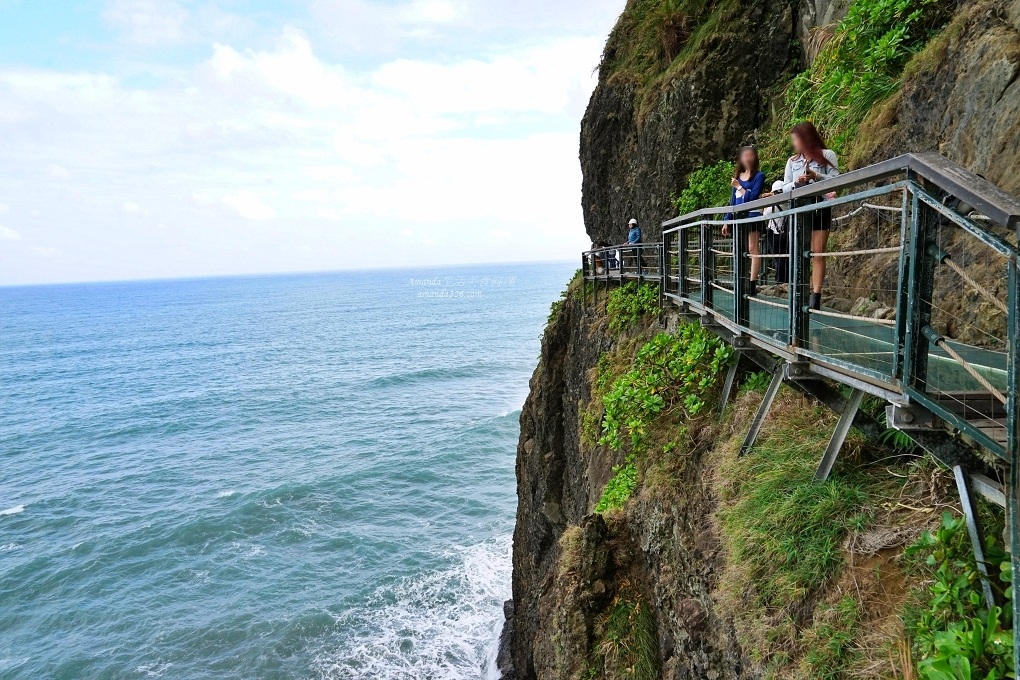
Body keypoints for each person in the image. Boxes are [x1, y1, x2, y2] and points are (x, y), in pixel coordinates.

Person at [783, 121, 839, 310]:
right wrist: (796, 182)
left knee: (817, 252)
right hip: (799, 210)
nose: (794, 143)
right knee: (799, 251)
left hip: (820, 206)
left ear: (805, 138)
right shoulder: (792, 162)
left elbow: (836, 181)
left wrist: (816, 175)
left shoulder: (827, 155)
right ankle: (799, 292)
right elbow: (784, 187)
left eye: (796, 139)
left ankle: (815, 296)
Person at [722, 146, 766, 296]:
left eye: (750, 155)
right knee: (738, 250)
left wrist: (739, 186)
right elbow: (733, 201)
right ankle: (741, 280)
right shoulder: (738, 176)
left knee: (753, 248)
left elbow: (753, 197)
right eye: (745, 155)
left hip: (752, 215)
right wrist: (726, 220)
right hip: (738, 217)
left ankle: (752, 283)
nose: (748, 158)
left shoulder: (759, 176)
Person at [762, 180, 789, 284]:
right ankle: (788, 281)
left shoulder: (771, 205)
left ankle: (780, 281)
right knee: (787, 257)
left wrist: (769, 197)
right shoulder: (789, 202)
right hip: (787, 233)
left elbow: (765, 215)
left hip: (773, 233)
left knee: (779, 259)